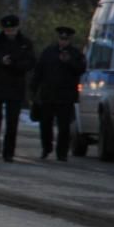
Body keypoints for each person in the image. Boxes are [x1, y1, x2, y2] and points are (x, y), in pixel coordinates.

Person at [0, 14, 37, 162]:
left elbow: (31, 62)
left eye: (12, 29)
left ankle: (9, 153)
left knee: (12, 123)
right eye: (7, 30)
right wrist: (1, 60)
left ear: (17, 28)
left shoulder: (25, 43)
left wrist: (15, 64)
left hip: (15, 85)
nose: (9, 32)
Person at [31, 26, 86, 161]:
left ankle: (62, 152)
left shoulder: (75, 54)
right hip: (48, 94)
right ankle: (46, 148)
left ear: (70, 40)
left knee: (64, 127)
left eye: (66, 39)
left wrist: (69, 62)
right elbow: (39, 71)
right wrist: (33, 90)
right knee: (45, 124)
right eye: (61, 38)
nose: (63, 41)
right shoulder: (49, 52)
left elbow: (81, 69)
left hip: (65, 96)